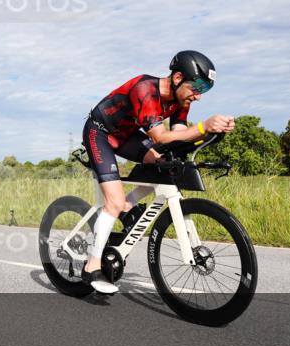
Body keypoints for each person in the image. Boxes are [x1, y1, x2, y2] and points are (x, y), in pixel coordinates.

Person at [81, 50, 235, 294]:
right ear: (177, 78)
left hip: (127, 136)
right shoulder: (145, 90)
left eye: (204, 90)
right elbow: (161, 136)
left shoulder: (180, 100)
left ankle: (128, 206)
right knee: (113, 201)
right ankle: (92, 266)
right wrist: (204, 126)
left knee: (163, 164)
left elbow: (178, 137)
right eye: (197, 87)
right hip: (100, 133)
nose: (198, 97)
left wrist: (214, 133)